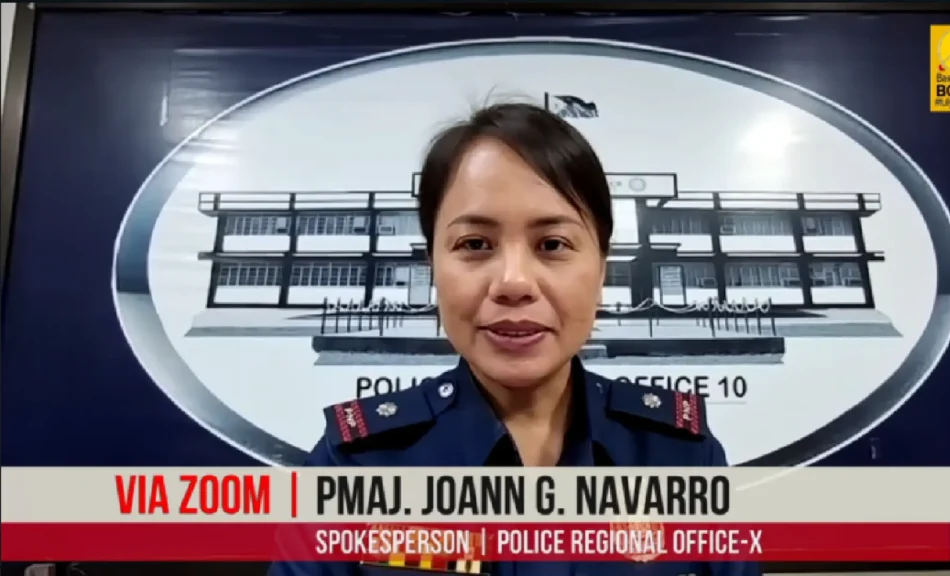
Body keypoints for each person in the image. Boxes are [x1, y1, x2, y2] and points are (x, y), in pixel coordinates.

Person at [268, 102, 760, 576]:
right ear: (433, 266)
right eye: (475, 244)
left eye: (553, 244)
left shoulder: (683, 457)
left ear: (601, 270)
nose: (514, 283)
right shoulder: (354, 463)